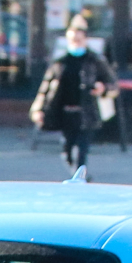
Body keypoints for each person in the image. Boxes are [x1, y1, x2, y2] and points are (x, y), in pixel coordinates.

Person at [29, 14, 116, 174]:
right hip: (65, 113)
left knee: (81, 151)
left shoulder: (95, 61)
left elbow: (113, 85)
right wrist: (38, 109)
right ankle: (76, 176)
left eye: (79, 38)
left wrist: (102, 88)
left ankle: (80, 178)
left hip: (87, 112)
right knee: (67, 151)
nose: (76, 42)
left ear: (85, 39)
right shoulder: (60, 62)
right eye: (73, 39)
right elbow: (46, 88)